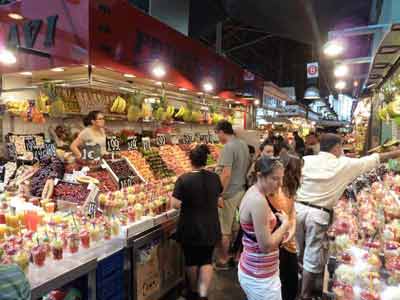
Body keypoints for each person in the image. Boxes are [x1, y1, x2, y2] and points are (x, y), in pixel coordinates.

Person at [296, 133, 400, 300]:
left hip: (298, 208)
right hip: (317, 214)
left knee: (295, 250)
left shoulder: (307, 160)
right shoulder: (343, 164)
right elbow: (378, 158)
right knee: (312, 255)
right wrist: (397, 152)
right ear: (336, 147)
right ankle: (305, 295)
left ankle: (292, 285)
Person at [171, 145, 223, 300]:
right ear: (205, 161)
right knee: (206, 259)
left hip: (190, 227)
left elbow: (174, 203)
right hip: (211, 226)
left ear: (190, 160)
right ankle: (203, 293)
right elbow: (219, 199)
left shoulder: (183, 179)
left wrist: (187, 203)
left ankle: (193, 292)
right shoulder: (214, 177)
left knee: (191, 260)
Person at [238, 156, 290, 300]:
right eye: (275, 178)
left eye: (281, 178)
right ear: (260, 176)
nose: (280, 184)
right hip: (259, 276)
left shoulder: (256, 192)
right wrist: (285, 225)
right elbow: (266, 246)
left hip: (258, 270)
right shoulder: (258, 201)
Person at [214, 120, 250, 270]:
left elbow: (226, 174)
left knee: (224, 229)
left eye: (217, 133)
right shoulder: (242, 144)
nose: (217, 137)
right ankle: (235, 255)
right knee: (236, 225)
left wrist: (219, 193)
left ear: (222, 131)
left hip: (228, 193)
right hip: (240, 189)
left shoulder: (228, 147)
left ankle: (222, 260)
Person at [269, 155, 303, 300]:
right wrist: (290, 226)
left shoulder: (287, 190)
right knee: (287, 284)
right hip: (280, 244)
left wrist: (292, 225)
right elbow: (284, 217)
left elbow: (291, 213)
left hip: (285, 243)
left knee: (289, 283)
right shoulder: (279, 193)